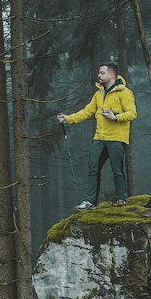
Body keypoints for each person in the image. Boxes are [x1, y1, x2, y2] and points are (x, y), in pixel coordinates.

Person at [57, 61, 137, 207]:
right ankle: (90, 201)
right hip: (99, 138)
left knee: (117, 170)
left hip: (117, 138)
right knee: (93, 168)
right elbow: (87, 112)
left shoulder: (124, 92)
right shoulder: (98, 94)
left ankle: (121, 198)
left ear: (112, 74)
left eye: (102, 73)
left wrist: (116, 117)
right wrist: (68, 118)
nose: (98, 75)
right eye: (99, 73)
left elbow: (132, 113)